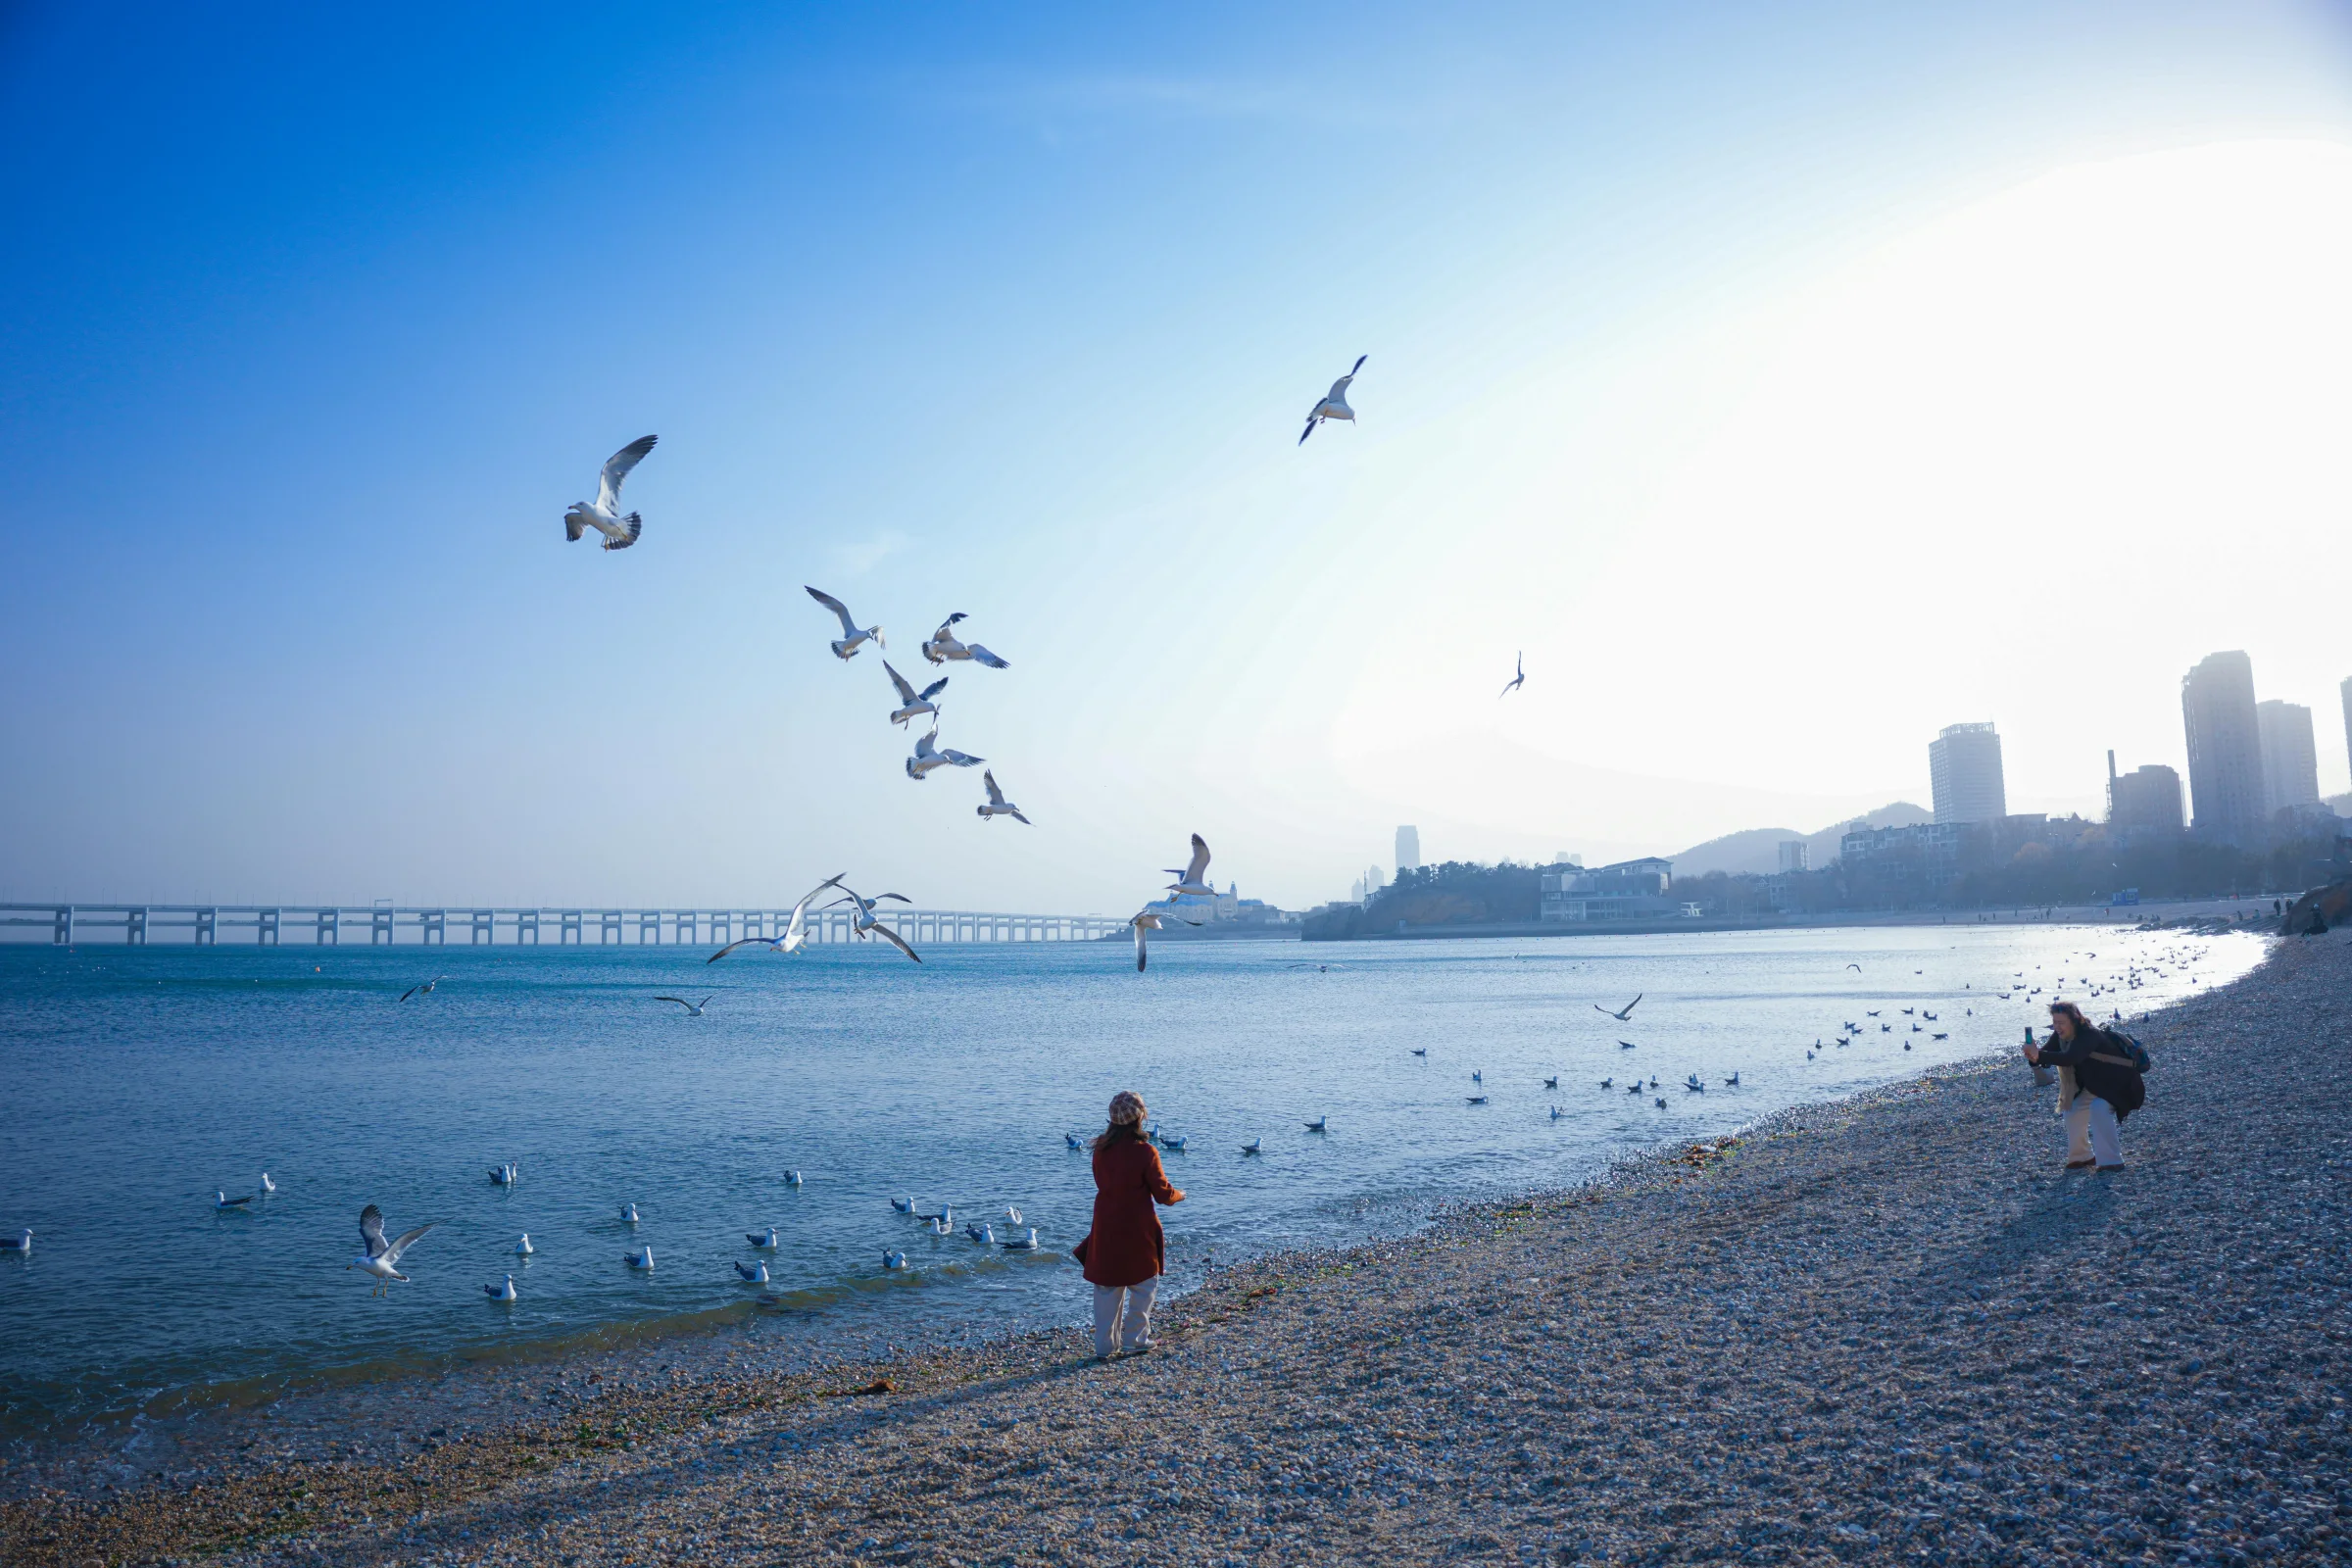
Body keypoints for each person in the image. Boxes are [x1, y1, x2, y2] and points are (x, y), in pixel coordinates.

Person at [1072, 1090, 1184, 1359]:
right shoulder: (1145, 1152)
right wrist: (1180, 1195)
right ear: (1140, 1117)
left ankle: (1104, 1347)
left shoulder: (1099, 1148)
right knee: (1144, 1282)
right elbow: (1163, 1195)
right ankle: (1136, 1339)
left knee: (1107, 1284)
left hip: (1106, 1221)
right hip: (1137, 1224)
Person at [2022, 1001, 2142, 1172]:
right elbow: (2045, 1058)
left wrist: (2039, 1055)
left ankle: (2112, 1161)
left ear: (2075, 1020)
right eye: (2055, 1022)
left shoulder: (2090, 1035)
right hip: (2094, 1085)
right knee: (2073, 1110)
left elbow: (2071, 1057)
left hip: (2119, 1084)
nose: (2057, 1026)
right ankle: (2083, 1156)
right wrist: (2032, 1055)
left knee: (2099, 1107)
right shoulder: (2060, 1035)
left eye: (2061, 1022)